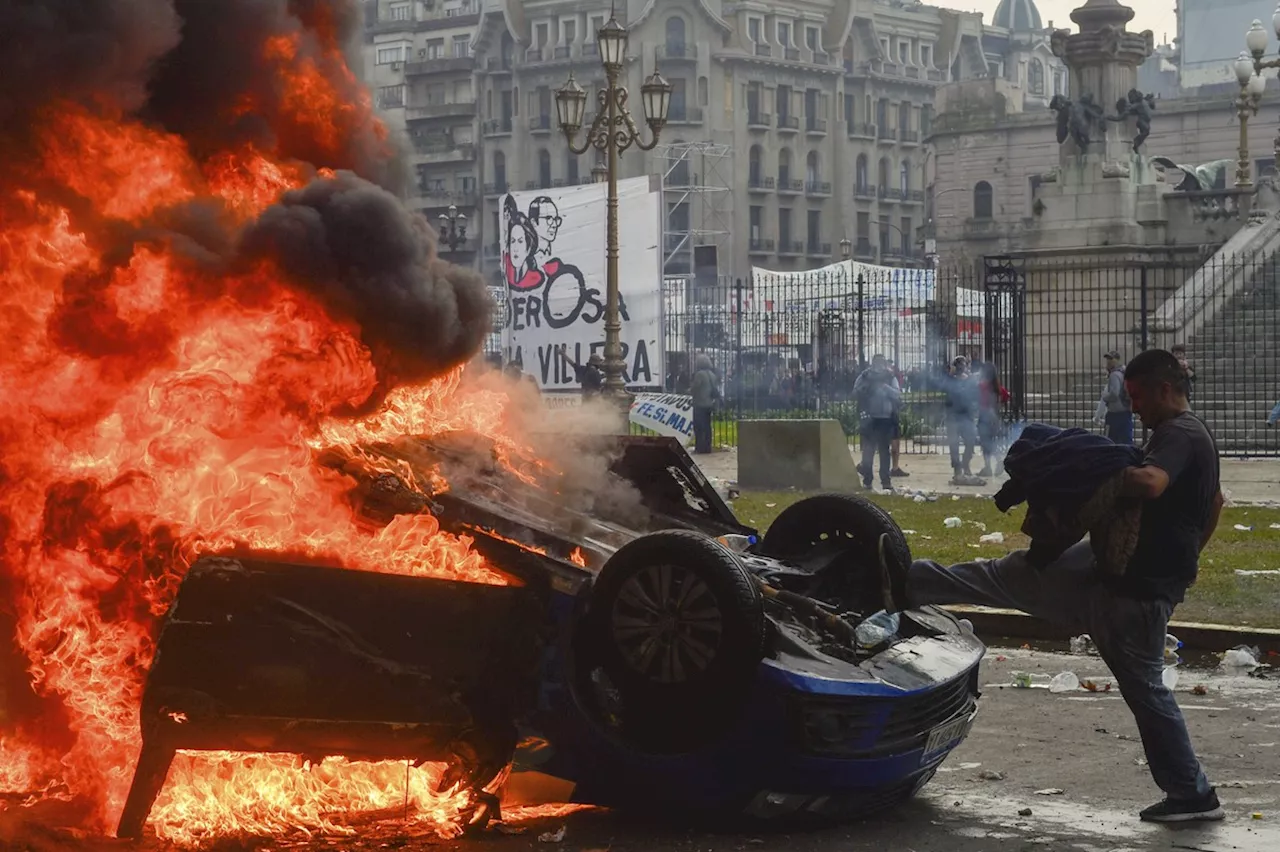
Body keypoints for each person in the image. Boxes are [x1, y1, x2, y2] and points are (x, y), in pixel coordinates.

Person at [882, 349, 1224, 824]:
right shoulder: (1187, 433)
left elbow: (1150, 483)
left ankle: (1193, 795)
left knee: (1146, 689)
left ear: (1166, 390)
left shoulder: (1180, 435)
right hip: (1111, 572)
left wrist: (1087, 465)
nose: (1135, 408)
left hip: (1135, 591)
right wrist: (1188, 558)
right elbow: (1218, 502)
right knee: (1005, 574)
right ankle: (899, 579)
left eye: (1139, 397)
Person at [853, 354, 902, 491]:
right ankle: (867, 480)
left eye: (882, 362)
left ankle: (885, 481)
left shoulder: (890, 377)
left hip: (885, 419)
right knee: (868, 451)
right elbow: (855, 392)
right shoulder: (864, 377)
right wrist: (868, 388)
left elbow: (898, 394)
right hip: (869, 418)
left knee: (884, 451)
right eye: (877, 362)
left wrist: (884, 387)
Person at [943, 356, 983, 486]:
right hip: (952, 417)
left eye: (963, 364)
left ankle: (966, 465)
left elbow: (976, 395)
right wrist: (950, 374)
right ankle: (957, 469)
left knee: (970, 443)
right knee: (954, 445)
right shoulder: (949, 380)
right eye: (958, 364)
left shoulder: (970, 380)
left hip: (967, 416)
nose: (961, 367)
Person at [976, 361, 1011, 477]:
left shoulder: (982, 386)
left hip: (985, 418)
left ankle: (989, 466)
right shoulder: (997, 387)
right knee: (991, 443)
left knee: (986, 443)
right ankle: (995, 463)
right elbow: (1006, 396)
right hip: (995, 418)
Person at [1095, 350, 1133, 444]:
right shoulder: (1124, 372)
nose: (1108, 361)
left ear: (1117, 360)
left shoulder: (1114, 375)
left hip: (1115, 414)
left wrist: (1105, 396)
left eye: (1111, 359)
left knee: (1110, 441)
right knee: (1126, 440)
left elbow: (1114, 395)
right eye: (1107, 359)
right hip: (1126, 411)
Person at [690, 353, 720, 454]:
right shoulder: (712, 375)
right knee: (707, 427)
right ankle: (707, 447)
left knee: (698, 427)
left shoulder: (699, 374)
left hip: (699, 404)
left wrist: (688, 390)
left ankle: (699, 447)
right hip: (709, 404)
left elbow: (695, 388)